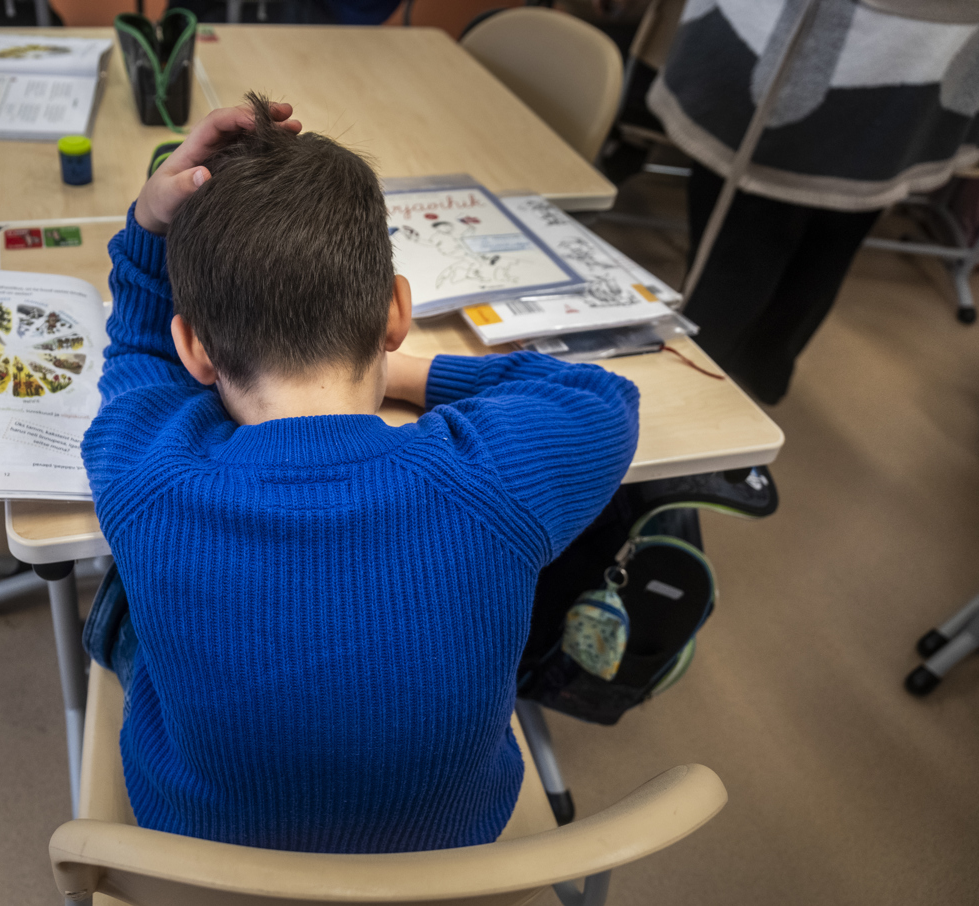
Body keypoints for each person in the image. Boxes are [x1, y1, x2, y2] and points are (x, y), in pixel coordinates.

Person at [79, 95, 640, 853]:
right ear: (396, 313)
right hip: (452, 849)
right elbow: (597, 397)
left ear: (196, 349)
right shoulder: (485, 476)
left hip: (205, 850)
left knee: (129, 599)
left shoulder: (144, 472)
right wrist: (407, 376)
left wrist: (149, 224)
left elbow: (138, 355)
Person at [648, 0, 979, 404]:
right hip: (923, 61)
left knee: (744, 248)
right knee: (825, 242)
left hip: (825, 57)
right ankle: (755, 370)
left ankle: (691, 391)